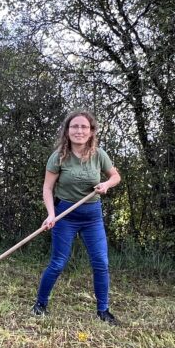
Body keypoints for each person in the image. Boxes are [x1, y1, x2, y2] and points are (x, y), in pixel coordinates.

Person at [32, 110, 121, 323]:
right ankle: (40, 305)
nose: (79, 131)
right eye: (74, 126)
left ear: (91, 132)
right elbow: (47, 188)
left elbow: (115, 176)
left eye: (84, 127)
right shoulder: (59, 157)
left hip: (92, 216)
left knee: (100, 262)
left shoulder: (99, 154)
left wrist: (106, 184)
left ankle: (103, 311)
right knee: (58, 263)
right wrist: (51, 214)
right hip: (65, 215)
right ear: (67, 130)